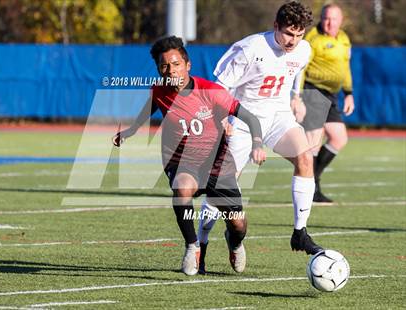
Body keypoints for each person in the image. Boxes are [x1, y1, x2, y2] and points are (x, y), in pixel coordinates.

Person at [112, 36, 266, 276]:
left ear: (187, 65)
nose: (170, 70)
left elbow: (251, 118)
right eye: (164, 66)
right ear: (158, 69)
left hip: (217, 163)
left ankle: (234, 242)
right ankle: (192, 246)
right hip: (182, 161)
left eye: (175, 64)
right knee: (182, 188)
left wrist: (257, 143)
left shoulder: (211, 91)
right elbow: (149, 109)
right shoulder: (159, 91)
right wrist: (130, 131)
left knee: (237, 223)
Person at [197, 1, 324, 275]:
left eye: (299, 34)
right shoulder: (250, 48)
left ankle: (300, 232)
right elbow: (219, 86)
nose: (293, 41)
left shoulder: (303, 49)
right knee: (223, 190)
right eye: (289, 33)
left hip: (278, 117)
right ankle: (202, 243)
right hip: (243, 121)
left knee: (305, 157)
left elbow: (295, 72)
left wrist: (296, 97)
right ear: (276, 26)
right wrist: (221, 119)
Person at [301, 3, 355, 203]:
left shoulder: (343, 38)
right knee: (313, 141)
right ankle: (310, 189)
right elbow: (301, 69)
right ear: (321, 18)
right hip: (312, 90)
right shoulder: (312, 38)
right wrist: (296, 96)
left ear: (341, 20)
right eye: (326, 18)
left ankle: (312, 180)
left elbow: (345, 67)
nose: (329, 22)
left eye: (333, 18)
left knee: (339, 138)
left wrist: (349, 93)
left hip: (332, 95)